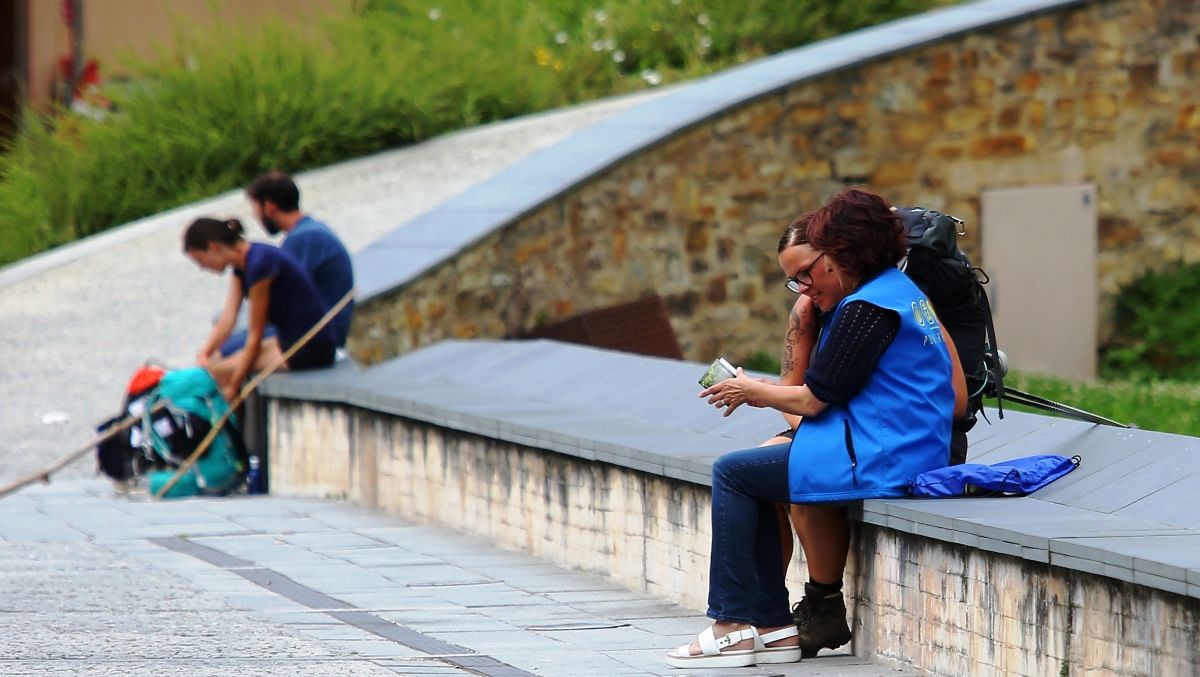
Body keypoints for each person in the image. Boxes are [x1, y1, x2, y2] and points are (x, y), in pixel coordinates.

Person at [665, 189, 967, 668]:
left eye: (807, 271)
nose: (803, 285)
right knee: (754, 471)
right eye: (794, 281)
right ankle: (773, 629)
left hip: (883, 458)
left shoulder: (866, 309)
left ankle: (732, 625)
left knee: (734, 472)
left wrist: (750, 389)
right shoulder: (900, 292)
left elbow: (812, 398)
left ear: (843, 252)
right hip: (904, 449)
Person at [185, 217, 338, 401]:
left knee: (217, 373)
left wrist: (233, 388)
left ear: (212, 247)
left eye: (200, 260)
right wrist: (205, 353)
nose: (202, 268)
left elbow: (255, 337)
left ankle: (228, 424)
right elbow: (228, 319)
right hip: (287, 340)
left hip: (309, 347)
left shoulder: (260, 265)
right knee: (214, 361)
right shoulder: (241, 266)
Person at [220, 171, 354, 356]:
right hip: (320, 329)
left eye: (255, 209)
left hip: (319, 335)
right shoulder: (310, 231)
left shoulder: (303, 239)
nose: (255, 216)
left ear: (269, 208)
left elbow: (278, 302)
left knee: (228, 351)